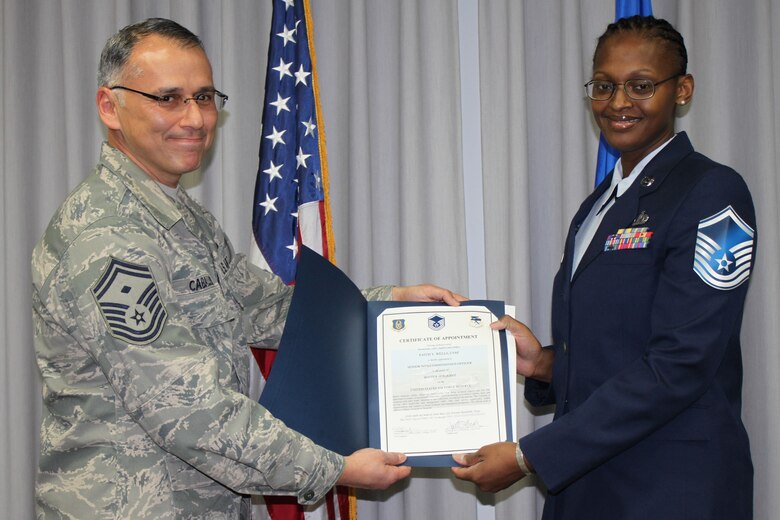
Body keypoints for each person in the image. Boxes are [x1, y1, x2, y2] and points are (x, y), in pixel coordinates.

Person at [32, 18, 465, 519]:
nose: (194, 118)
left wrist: (389, 305)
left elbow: (270, 310)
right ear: (110, 106)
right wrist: (333, 469)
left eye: (204, 96)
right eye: (168, 98)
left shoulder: (178, 216)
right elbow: (189, 412)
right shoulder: (109, 237)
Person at [452, 15, 755, 520]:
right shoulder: (600, 205)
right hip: (591, 487)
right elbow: (619, 346)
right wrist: (543, 364)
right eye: (604, 86)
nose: (617, 102)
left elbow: (680, 364)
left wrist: (530, 456)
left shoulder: (714, 194)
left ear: (682, 90)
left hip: (671, 491)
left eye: (640, 86)